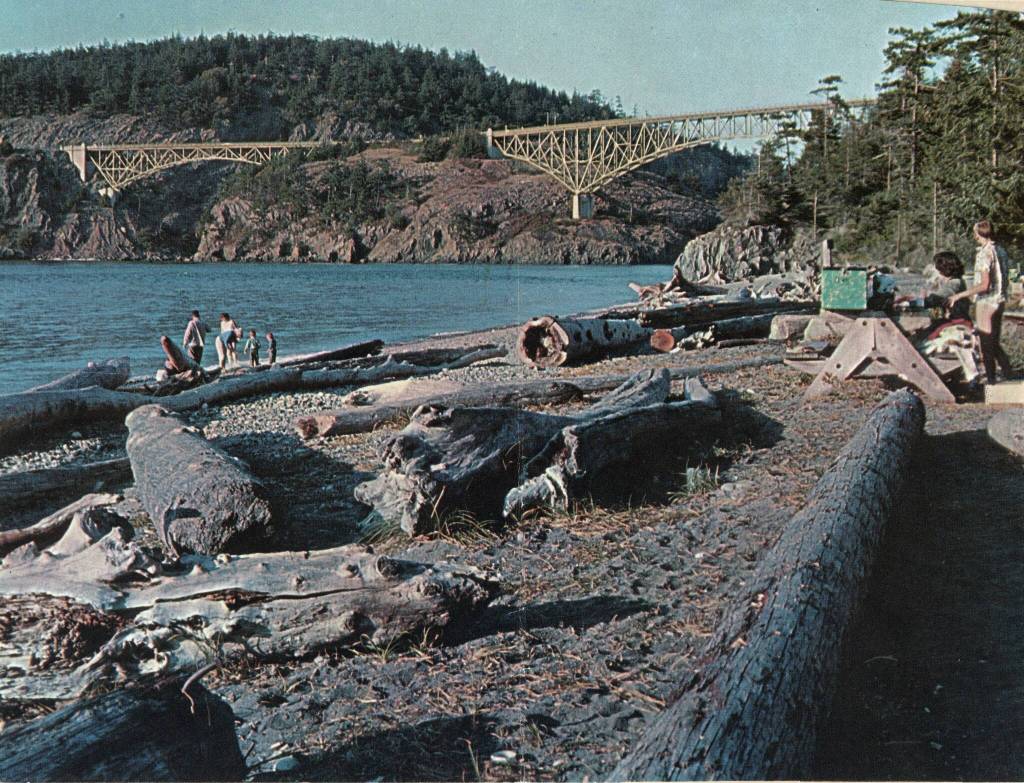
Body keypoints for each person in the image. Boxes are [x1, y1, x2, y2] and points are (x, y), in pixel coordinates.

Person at [947, 219, 1013, 384]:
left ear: (979, 234)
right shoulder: (1001, 250)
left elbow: (984, 285)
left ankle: (991, 381)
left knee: (986, 343)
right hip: (1000, 299)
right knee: (993, 341)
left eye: (975, 232)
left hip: (987, 301)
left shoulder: (984, 254)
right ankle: (1008, 372)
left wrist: (959, 295)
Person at [924, 251, 969, 320]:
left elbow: (934, 299)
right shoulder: (953, 281)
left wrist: (912, 303)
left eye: (937, 268)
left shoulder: (954, 283)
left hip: (957, 322)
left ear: (943, 269)